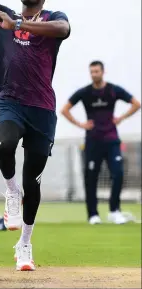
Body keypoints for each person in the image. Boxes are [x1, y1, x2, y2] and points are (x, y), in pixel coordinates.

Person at [0, 0, 70, 270]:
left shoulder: (53, 19)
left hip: (41, 108)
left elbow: (63, 30)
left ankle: (24, 243)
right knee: (7, 142)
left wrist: (21, 26)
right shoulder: (3, 17)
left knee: (34, 181)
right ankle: (11, 193)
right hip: (9, 101)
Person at [61, 60, 141, 225]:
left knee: (118, 173)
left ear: (103, 72)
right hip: (92, 142)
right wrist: (80, 124)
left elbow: (136, 104)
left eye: (97, 71)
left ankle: (114, 211)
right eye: (92, 72)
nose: (94, 74)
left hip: (112, 140)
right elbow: (64, 109)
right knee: (91, 178)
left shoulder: (113, 90)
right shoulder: (85, 92)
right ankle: (93, 214)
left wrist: (121, 118)